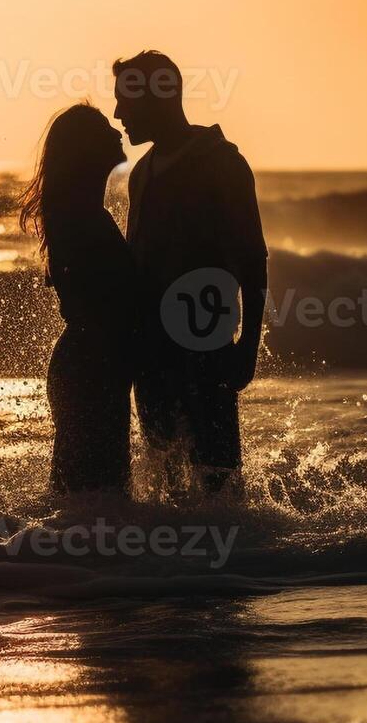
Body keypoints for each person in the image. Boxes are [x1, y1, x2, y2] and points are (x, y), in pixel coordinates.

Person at [112, 51, 268, 495]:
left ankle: (230, 561)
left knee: (217, 480)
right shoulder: (141, 174)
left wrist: (249, 346)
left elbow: (253, 258)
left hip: (207, 350)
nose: (119, 112)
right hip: (151, 354)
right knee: (166, 482)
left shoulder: (221, 162)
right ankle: (177, 564)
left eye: (126, 100)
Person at [19, 104, 137, 494]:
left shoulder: (81, 213)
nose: (116, 130)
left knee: (87, 498)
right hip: (91, 369)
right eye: (104, 127)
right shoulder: (81, 217)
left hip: (90, 366)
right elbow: (114, 302)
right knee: (95, 500)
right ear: (86, 148)